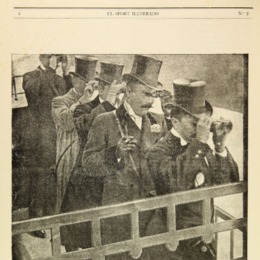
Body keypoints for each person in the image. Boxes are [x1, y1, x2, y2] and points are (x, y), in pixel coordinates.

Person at [81, 55, 166, 259]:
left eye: (153, 95)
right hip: (118, 216)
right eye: (146, 94)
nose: (151, 101)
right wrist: (114, 153)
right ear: (128, 92)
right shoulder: (105, 120)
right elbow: (88, 164)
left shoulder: (159, 121)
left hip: (151, 216)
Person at [147, 78, 239, 260]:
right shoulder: (158, 152)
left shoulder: (198, 147)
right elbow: (176, 185)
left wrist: (220, 147)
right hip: (171, 248)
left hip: (203, 242)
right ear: (174, 122)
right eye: (193, 124)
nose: (199, 131)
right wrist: (200, 143)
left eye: (203, 124)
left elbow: (229, 183)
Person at [60, 61, 125, 252]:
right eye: (111, 89)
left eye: (120, 91)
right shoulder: (86, 108)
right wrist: (106, 103)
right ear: (101, 87)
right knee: (80, 239)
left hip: (110, 183)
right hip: (86, 182)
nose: (118, 96)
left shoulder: (123, 112)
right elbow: (82, 127)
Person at [22, 54, 71, 238]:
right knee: (39, 178)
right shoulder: (30, 76)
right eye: (53, 56)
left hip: (58, 134)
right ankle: (35, 222)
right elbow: (33, 95)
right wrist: (47, 68)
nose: (56, 60)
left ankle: (53, 218)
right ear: (43, 57)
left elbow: (70, 98)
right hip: (39, 136)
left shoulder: (59, 78)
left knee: (57, 176)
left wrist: (66, 73)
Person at [51, 56, 98, 211]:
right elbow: (65, 122)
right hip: (69, 156)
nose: (90, 87)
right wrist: (82, 100)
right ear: (75, 80)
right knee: (67, 200)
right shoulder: (60, 101)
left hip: (88, 156)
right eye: (86, 82)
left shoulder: (94, 103)